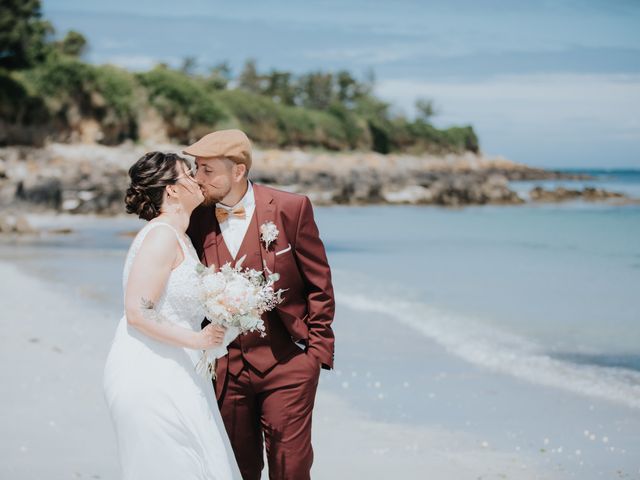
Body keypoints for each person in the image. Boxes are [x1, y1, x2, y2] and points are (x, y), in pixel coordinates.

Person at [185, 129, 335, 480]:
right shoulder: (195, 218)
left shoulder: (290, 208)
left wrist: (315, 355)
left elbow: (320, 284)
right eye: (196, 168)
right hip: (224, 369)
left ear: (238, 171)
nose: (198, 178)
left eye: (208, 170)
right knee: (237, 468)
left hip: (287, 363)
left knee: (290, 468)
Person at [103, 151, 242, 479]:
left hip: (178, 368)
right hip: (149, 372)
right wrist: (198, 339)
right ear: (173, 190)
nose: (198, 179)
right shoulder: (161, 236)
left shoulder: (181, 238)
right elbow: (138, 311)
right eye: (189, 174)